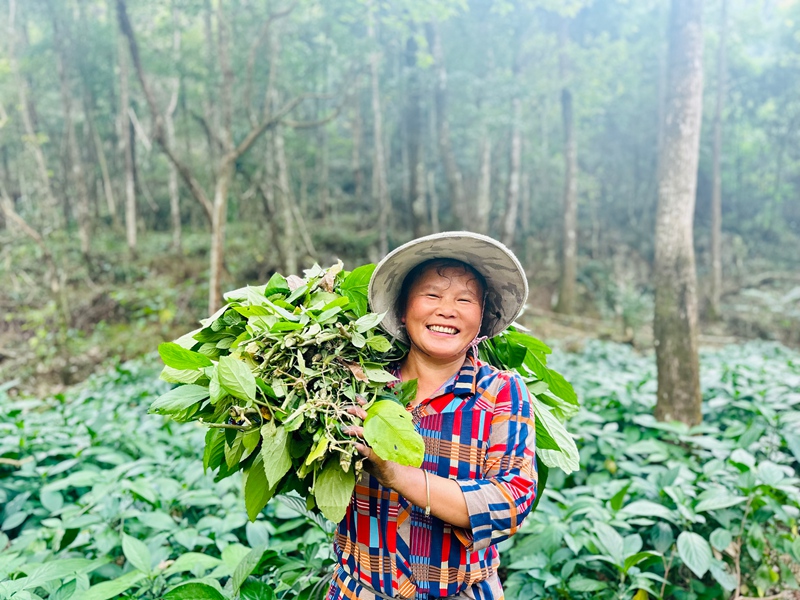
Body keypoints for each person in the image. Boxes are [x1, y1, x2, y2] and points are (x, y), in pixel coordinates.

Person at [329, 231, 537, 600]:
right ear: (403, 310)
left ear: (482, 317)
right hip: (358, 591)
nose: (447, 309)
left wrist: (395, 473)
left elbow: (510, 503)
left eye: (465, 299)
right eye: (431, 295)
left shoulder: (502, 391)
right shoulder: (360, 385)